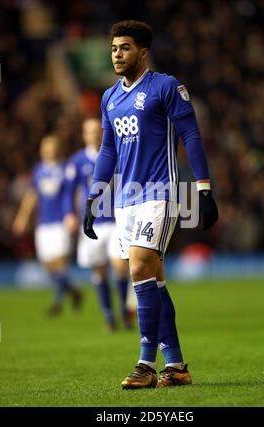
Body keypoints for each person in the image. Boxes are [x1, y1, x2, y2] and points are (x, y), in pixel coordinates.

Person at [83, 20, 218, 389]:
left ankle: (145, 363)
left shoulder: (167, 87)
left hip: (160, 193)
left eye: (124, 48)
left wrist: (203, 189)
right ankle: (175, 366)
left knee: (139, 268)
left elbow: (191, 133)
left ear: (142, 52)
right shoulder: (109, 97)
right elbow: (108, 150)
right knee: (154, 282)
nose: (117, 54)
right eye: (113, 48)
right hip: (125, 200)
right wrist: (94, 196)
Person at [63, 117, 133, 331]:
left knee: (120, 267)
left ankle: (124, 310)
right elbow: (69, 190)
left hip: (115, 220)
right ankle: (109, 317)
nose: (93, 134)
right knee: (99, 270)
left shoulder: (116, 155)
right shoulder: (76, 161)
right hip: (92, 221)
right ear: (84, 135)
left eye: (97, 130)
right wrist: (69, 214)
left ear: (102, 132)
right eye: (89, 131)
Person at [12, 135, 82, 315]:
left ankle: (57, 303)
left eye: (52, 147)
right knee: (47, 264)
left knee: (59, 262)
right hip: (43, 223)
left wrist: (74, 214)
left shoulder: (66, 168)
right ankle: (74, 293)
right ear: (42, 150)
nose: (49, 151)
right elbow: (32, 195)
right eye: (46, 148)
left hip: (61, 221)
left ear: (58, 149)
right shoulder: (38, 170)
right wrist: (22, 217)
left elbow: (74, 193)